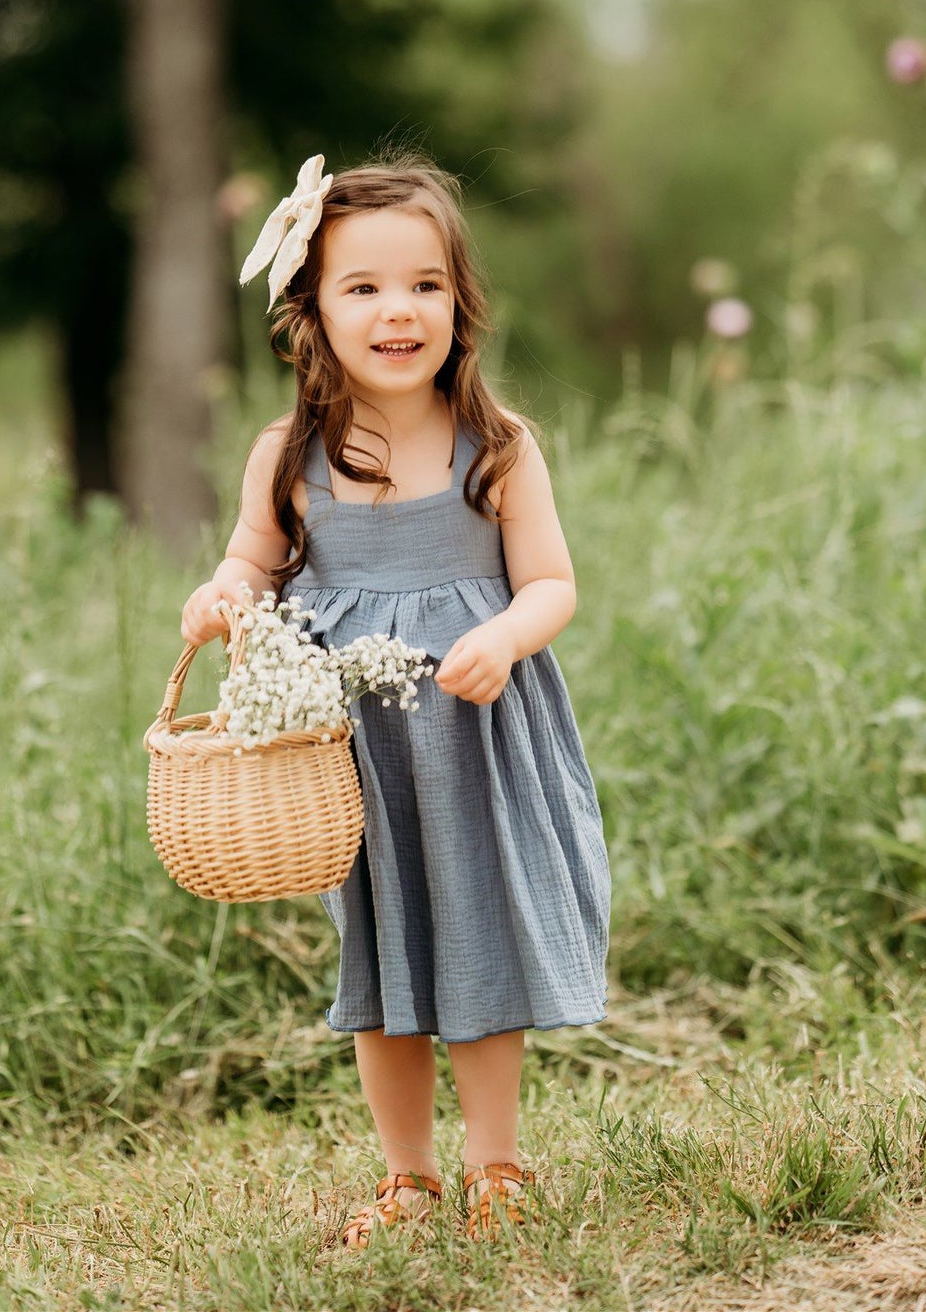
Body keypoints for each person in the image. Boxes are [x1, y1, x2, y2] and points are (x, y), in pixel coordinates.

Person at [180, 151, 612, 1248]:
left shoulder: (499, 449)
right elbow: (251, 563)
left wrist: (506, 635)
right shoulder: (289, 456)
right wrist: (222, 597)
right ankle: (408, 1176)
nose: (396, 311)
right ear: (311, 312)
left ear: (460, 301)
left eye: (423, 283)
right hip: (351, 759)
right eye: (361, 288)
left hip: (473, 741)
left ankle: (497, 1164)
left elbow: (553, 583)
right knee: (380, 961)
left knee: (480, 948)